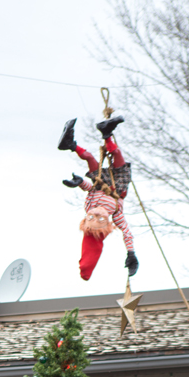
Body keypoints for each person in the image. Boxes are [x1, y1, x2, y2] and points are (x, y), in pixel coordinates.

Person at [58, 116, 139, 281]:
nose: (97, 213)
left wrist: (79, 182)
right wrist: (131, 253)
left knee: (90, 158)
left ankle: (70, 144)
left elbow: (91, 188)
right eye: (100, 218)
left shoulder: (91, 205)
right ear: (106, 221)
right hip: (119, 186)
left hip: (102, 182)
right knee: (116, 153)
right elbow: (127, 233)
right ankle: (106, 132)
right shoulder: (116, 213)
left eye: (92, 217)